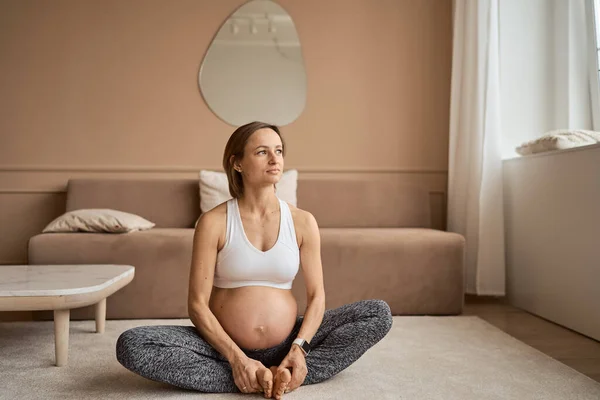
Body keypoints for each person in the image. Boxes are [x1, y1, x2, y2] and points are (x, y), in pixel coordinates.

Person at [116, 121, 393, 399]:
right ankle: (258, 374)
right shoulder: (213, 222)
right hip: (222, 347)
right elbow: (197, 306)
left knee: (376, 313)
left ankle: (289, 367)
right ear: (237, 163)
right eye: (262, 152)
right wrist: (237, 358)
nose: (275, 159)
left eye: (279, 151)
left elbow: (317, 296)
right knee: (132, 344)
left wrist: (298, 347)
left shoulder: (303, 222)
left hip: (289, 342)